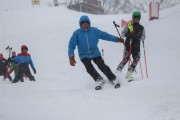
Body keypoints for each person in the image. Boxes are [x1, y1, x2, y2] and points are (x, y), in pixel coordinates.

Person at [68, 15, 124, 90]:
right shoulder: (77, 33)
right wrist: (71, 56)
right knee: (89, 68)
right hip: (83, 54)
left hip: (95, 52)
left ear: (89, 23)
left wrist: (117, 39)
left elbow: (106, 36)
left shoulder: (94, 31)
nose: (85, 25)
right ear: (80, 24)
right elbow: (71, 45)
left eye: (86, 23)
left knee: (102, 66)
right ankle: (98, 79)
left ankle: (113, 78)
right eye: (83, 23)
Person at [116, 11, 146, 81]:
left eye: (138, 18)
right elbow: (122, 34)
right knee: (125, 59)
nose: (136, 19)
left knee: (136, 59)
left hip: (136, 46)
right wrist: (128, 35)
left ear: (140, 19)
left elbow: (143, 36)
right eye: (135, 18)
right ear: (133, 18)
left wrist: (138, 37)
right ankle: (117, 73)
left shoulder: (141, 27)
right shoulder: (129, 25)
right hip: (128, 45)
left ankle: (129, 74)